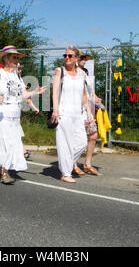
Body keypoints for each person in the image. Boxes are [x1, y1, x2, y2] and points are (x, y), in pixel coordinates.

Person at [0, 45, 46, 184]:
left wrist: (35, 92)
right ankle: (4, 172)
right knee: (6, 143)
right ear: (6, 59)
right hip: (3, 114)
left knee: (12, 144)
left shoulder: (17, 76)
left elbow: (22, 94)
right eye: (14, 57)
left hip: (15, 115)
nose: (16, 59)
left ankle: (1, 168)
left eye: (17, 57)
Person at [51, 46, 93, 183]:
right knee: (65, 144)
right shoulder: (60, 71)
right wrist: (55, 110)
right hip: (63, 113)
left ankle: (65, 164)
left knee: (82, 143)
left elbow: (84, 96)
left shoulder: (82, 74)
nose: (66, 58)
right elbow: (55, 92)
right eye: (65, 55)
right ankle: (66, 173)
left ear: (76, 58)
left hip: (77, 115)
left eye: (70, 56)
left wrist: (88, 113)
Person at [77, 51, 101, 175]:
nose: (84, 60)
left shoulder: (84, 73)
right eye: (82, 58)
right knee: (77, 138)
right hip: (76, 111)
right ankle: (73, 164)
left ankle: (87, 164)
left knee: (93, 135)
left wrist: (95, 98)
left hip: (87, 111)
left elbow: (89, 91)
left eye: (85, 58)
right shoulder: (71, 74)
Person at [17, 63, 39, 160]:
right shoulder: (10, 79)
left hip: (16, 111)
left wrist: (35, 108)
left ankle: (21, 151)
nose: (20, 71)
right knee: (15, 133)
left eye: (21, 69)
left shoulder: (21, 80)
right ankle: (22, 151)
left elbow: (27, 97)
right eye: (18, 69)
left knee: (16, 133)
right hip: (7, 110)